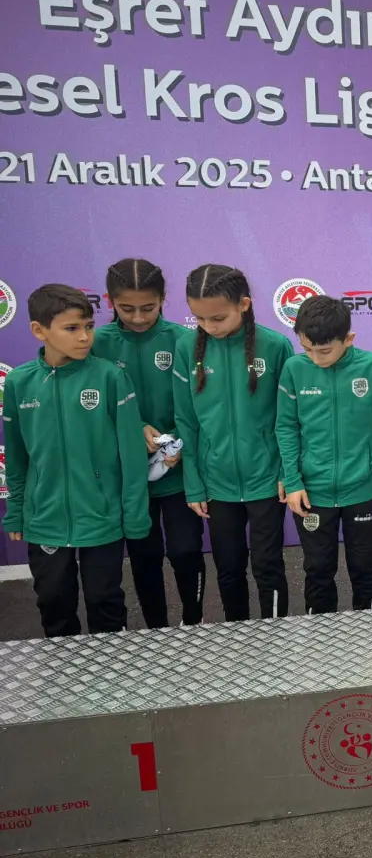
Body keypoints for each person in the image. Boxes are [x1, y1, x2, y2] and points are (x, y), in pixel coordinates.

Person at [2, 285, 151, 637]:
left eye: (88, 326)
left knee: (105, 601)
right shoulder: (20, 382)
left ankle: (112, 669)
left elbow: (132, 456)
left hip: (101, 516)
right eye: (71, 328)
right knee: (53, 601)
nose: (84, 337)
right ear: (39, 330)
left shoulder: (110, 377)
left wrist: (135, 515)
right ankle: (63, 672)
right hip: (45, 519)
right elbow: (17, 456)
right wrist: (16, 510)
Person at [172, 265, 293, 621]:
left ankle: (276, 636)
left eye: (218, 318)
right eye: (199, 319)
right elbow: (186, 421)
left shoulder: (275, 346)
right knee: (228, 567)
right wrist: (194, 483)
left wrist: (287, 472)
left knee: (268, 565)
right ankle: (237, 641)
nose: (209, 326)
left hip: (267, 479)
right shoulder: (186, 348)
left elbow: (290, 418)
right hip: (216, 482)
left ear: (244, 304)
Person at [92, 258, 208, 627]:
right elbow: (92, 408)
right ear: (110, 301)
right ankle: (155, 631)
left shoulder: (185, 340)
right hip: (129, 477)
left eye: (149, 307)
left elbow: (202, 404)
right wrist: (136, 427)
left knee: (186, 551)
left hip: (178, 472)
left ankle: (193, 622)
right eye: (127, 308)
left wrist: (179, 444)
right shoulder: (96, 344)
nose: (139, 317)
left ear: (163, 299)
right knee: (145, 557)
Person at [276, 295, 372, 615]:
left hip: (363, 488)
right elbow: (286, 426)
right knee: (318, 569)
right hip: (313, 491)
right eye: (307, 349)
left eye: (324, 351)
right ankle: (323, 639)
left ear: (348, 339)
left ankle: (371, 633)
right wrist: (292, 480)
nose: (315, 358)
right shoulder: (294, 369)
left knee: (364, 567)